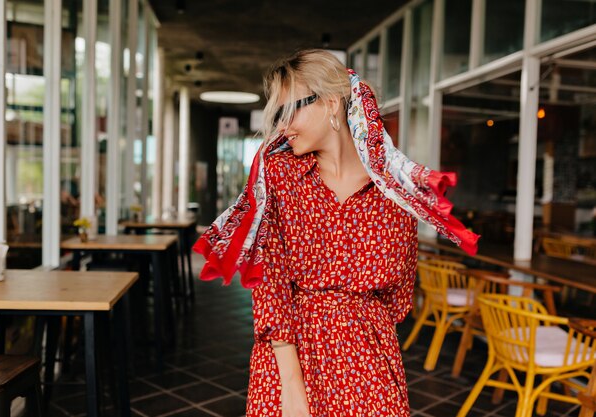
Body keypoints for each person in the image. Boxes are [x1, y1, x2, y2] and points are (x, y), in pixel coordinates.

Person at [194, 49, 479, 417]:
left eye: (288, 111)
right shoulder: (279, 175)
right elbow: (271, 286)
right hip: (292, 356)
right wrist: (293, 389)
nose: (281, 127)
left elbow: (399, 297)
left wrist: (356, 325)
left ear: (330, 104)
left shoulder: (394, 190)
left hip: (371, 362)